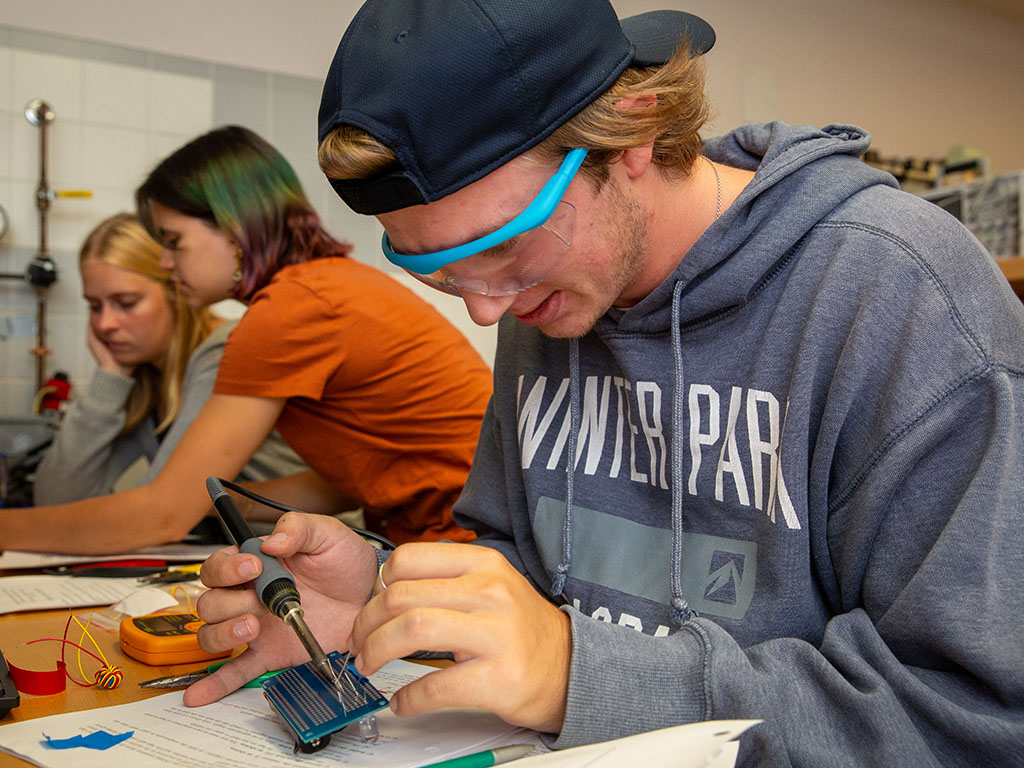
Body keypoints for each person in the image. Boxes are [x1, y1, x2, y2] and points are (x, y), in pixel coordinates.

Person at [187, 2, 1024, 765]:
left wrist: (583, 676)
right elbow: (527, 577)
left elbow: (976, 719)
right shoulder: (547, 298)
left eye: (504, 246)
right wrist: (379, 598)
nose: (486, 308)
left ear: (631, 138)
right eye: (441, 270)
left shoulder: (901, 295)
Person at [0, 126, 492, 554]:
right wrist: (217, 500)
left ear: (233, 229)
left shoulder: (290, 309)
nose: (167, 263)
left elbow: (163, 516)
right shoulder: (327, 285)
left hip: (465, 545)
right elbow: (355, 481)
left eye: (173, 242)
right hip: (459, 539)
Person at [34, 212, 304, 505]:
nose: (104, 324)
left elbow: (160, 508)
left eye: (126, 303)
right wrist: (110, 377)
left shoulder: (226, 352)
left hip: (307, 534)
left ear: (176, 293)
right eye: (95, 306)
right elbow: (56, 498)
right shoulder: (148, 381)